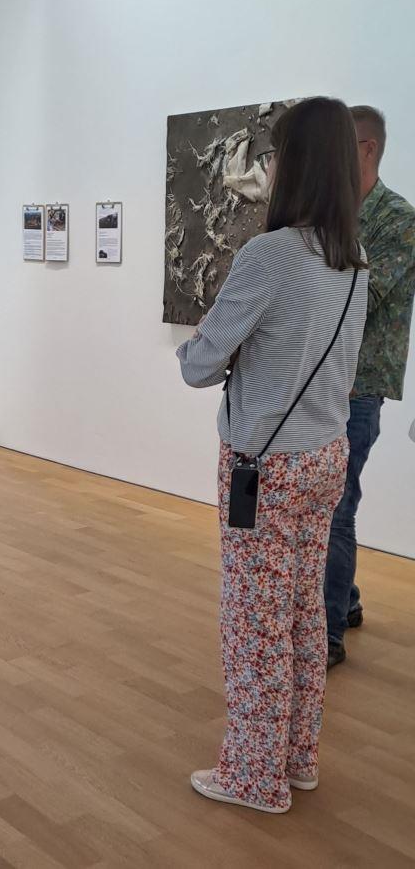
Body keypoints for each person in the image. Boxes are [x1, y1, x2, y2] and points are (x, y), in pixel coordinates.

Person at [176, 97, 368, 814]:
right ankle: (296, 757)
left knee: (254, 624)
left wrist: (203, 347)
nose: (269, 165)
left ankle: (254, 778)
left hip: (266, 466)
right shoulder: (354, 261)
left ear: (296, 163)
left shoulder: (270, 255)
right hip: (325, 456)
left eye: (276, 152)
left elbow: (201, 364)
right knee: (303, 613)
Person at [324, 106, 415, 668]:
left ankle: (328, 632)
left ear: (368, 149)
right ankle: (348, 598)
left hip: (359, 388)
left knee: (337, 505)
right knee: (331, 499)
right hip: (324, 382)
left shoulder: (399, 220)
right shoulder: (335, 215)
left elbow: (361, 295)